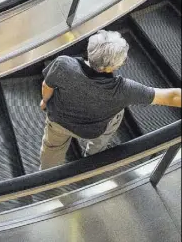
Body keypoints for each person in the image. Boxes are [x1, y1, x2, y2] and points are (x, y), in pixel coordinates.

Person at [39, 29, 181, 170]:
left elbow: (47, 85)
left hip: (58, 122)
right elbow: (172, 97)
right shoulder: (124, 90)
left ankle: (45, 174)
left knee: (51, 148)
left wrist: (45, 101)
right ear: (109, 68)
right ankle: (93, 155)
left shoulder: (63, 64)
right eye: (122, 61)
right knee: (118, 114)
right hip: (93, 130)